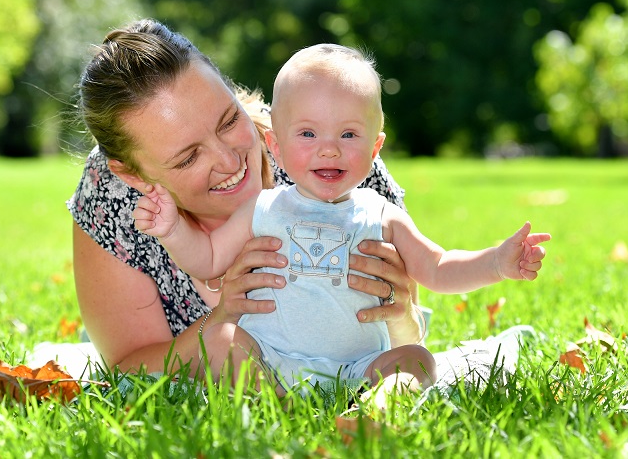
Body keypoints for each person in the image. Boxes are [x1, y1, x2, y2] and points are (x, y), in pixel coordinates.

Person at [131, 44, 551, 397]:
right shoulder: (262, 209)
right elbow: (206, 258)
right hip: (270, 360)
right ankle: (278, 406)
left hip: (358, 368)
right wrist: (172, 230)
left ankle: (378, 410)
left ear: (375, 147)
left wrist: (497, 262)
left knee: (416, 360)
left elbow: (438, 268)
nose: (329, 150)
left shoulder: (381, 215)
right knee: (221, 343)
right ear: (275, 146)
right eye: (308, 134)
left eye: (349, 135)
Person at [68, 19, 427, 387]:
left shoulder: (329, 159)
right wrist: (221, 318)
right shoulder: (113, 196)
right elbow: (128, 366)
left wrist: (402, 319)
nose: (229, 161)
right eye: (189, 158)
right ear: (133, 175)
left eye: (228, 121)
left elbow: (407, 338)